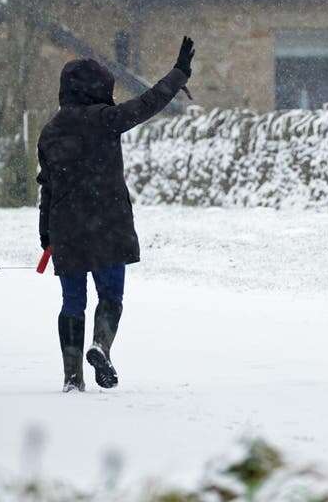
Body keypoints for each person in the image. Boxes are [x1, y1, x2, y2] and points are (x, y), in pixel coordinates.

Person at [37, 37, 195, 392]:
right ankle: (101, 345)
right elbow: (147, 103)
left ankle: (72, 377)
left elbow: (46, 185)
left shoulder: (50, 131)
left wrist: (46, 232)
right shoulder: (106, 120)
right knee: (110, 296)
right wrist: (178, 73)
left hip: (66, 229)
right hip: (107, 224)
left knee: (72, 301)